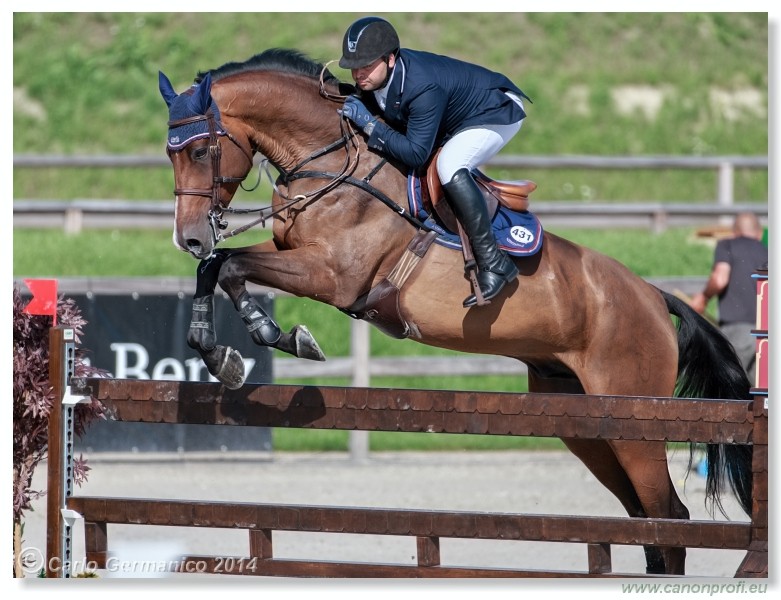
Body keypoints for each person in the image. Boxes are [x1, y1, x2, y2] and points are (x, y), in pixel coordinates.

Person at [337, 16, 532, 308]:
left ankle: (494, 262)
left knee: (450, 165)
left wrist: (372, 127)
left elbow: (416, 153)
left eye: (366, 65)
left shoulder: (421, 87)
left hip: (495, 111)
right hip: (460, 112)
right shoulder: (384, 77)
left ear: (391, 59)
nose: (358, 74)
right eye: (353, 66)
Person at [690, 212, 768, 383]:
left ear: (734, 232)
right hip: (767, 334)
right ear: (760, 233)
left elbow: (719, 279)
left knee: (729, 392)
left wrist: (703, 297)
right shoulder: (768, 252)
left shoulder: (727, 245)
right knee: (760, 399)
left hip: (737, 332)